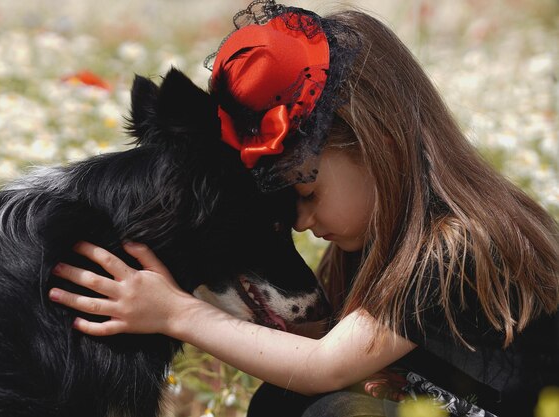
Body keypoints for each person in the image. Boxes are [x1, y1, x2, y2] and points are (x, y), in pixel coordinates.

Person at [48, 2, 559, 416]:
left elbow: (325, 365)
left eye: (308, 193)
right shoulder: (385, 243)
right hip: (430, 400)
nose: (301, 222)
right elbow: (328, 354)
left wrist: (177, 314)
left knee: (332, 407)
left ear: (376, 143)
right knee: (286, 399)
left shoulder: (452, 243)